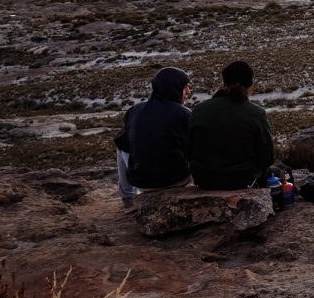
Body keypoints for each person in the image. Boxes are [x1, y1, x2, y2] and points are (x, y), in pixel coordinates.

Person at [189, 60, 275, 190]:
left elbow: (189, 149)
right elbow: (267, 158)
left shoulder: (198, 109)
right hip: (241, 181)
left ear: (224, 82)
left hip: (204, 180)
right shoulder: (256, 113)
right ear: (249, 84)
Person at [115, 67, 193, 198]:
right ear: (174, 88)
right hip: (177, 181)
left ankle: (127, 195)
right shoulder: (183, 113)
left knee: (121, 143)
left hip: (142, 184)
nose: (189, 92)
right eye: (185, 87)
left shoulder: (135, 110)